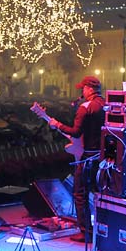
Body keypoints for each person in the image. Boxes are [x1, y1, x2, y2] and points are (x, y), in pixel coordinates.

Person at [48, 75, 106, 242]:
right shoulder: (107, 105)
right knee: (101, 194)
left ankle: (85, 232)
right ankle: (104, 230)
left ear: (89, 88)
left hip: (87, 157)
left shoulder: (85, 107)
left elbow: (76, 132)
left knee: (80, 193)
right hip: (105, 158)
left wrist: (57, 125)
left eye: (83, 88)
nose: (82, 91)